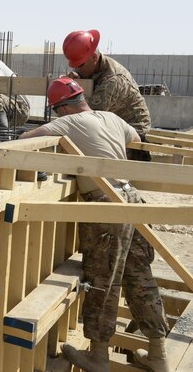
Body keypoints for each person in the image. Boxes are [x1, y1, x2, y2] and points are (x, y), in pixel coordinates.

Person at [20, 77, 169, 372]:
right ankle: (157, 353)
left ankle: (99, 356)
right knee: (139, 275)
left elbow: (26, 140)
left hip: (106, 207)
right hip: (132, 199)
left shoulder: (68, 123)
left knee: (103, 280)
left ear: (62, 108)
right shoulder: (111, 117)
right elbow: (136, 139)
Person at [63, 29, 152, 161]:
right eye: (75, 66)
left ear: (94, 57)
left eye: (80, 65)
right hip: (113, 123)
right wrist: (79, 78)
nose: (77, 69)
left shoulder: (112, 80)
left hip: (133, 131)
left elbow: (89, 118)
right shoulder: (94, 66)